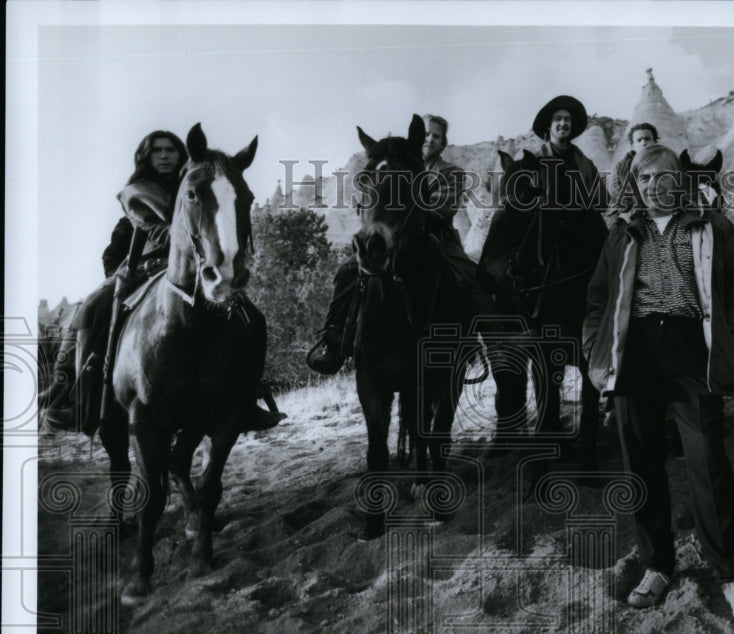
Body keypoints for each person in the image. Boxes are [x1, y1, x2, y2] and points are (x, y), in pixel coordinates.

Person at [583, 143, 734, 628]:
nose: (653, 186)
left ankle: (731, 572)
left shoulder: (711, 225)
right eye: (644, 179)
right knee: (640, 461)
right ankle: (657, 564)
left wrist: (733, 340)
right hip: (635, 351)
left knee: (707, 459)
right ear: (636, 185)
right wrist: (595, 348)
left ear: (678, 180)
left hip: (692, 349)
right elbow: (599, 298)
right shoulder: (622, 234)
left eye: (662, 177)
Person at [40, 130, 285, 434]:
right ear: (146, 156)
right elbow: (140, 238)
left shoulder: (203, 182)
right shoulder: (137, 193)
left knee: (254, 319)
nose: (166, 155)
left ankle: (247, 400)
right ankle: (73, 395)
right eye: (158, 150)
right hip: (141, 268)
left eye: (171, 149)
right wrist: (121, 272)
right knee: (89, 309)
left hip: (195, 271)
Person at [307, 114, 495, 375]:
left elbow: (445, 207)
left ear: (442, 144)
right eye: (427, 134)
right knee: (347, 271)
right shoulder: (393, 167)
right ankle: (334, 340)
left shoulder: (452, 173)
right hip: (390, 239)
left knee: (471, 280)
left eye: (436, 136)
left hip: (437, 238)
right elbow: (370, 202)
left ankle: (486, 343)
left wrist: (409, 210)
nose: (430, 139)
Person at [606, 122, 659, 226]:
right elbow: (616, 192)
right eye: (639, 140)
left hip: (660, 209)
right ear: (633, 145)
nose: (643, 143)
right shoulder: (621, 166)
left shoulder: (664, 163)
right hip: (627, 210)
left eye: (647, 139)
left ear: (655, 141)